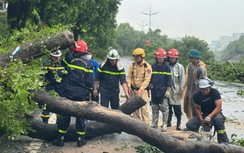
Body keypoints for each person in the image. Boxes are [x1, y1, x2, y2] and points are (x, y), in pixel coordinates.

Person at [54, 40, 93, 147]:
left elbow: (63, 60)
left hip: (67, 92)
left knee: (65, 115)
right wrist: (89, 91)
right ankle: (80, 139)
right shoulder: (88, 65)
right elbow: (89, 83)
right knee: (80, 116)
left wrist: (69, 47)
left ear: (75, 50)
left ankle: (60, 139)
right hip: (81, 94)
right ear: (84, 52)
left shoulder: (68, 60)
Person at [186, 77, 229, 143]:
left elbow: (218, 107)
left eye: (207, 89)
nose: (205, 91)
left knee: (218, 121)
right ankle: (203, 134)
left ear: (209, 87)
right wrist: (201, 120)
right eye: (203, 90)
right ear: (200, 89)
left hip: (216, 113)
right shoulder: (196, 96)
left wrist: (209, 117)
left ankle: (223, 141)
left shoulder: (215, 92)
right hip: (204, 114)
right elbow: (197, 108)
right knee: (190, 124)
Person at [127, 48, 152, 125]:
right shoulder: (132, 65)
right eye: (134, 57)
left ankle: (146, 125)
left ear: (142, 56)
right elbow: (129, 76)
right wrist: (128, 86)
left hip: (143, 91)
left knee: (144, 109)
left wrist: (141, 90)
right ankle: (137, 125)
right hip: (134, 90)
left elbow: (147, 80)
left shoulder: (147, 66)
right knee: (135, 109)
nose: (135, 59)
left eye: (137, 57)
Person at [150, 48, 171, 132]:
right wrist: (150, 85)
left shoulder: (167, 67)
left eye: (162, 58)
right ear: (156, 58)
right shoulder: (153, 67)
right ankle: (154, 123)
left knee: (164, 109)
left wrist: (168, 90)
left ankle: (164, 124)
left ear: (164, 58)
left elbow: (169, 79)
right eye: (159, 58)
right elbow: (150, 78)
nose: (160, 60)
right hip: (154, 91)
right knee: (154, 108)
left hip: (163, 92)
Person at [182, 49, 207, 120]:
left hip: (196, 93)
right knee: (186, 109)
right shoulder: (189, 66)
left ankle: (195, 124)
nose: (189, 59)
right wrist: (183, 88)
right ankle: (189, 122)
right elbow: (187, 78)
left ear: (195, 58)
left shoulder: (201, 69)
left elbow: (203, 83)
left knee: (195, 110)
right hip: (188, 91)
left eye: (191, 58)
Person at [41, 50, 64, 123]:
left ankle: (59, 123)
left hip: (60, 87)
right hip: (49, 87)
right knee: (46, 105)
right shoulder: (46, 64)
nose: (57, 59)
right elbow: (43, 76)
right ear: (51, 56)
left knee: (60, 106)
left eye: (58, 57)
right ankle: (44, 123)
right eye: (55, 57)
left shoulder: (62, 63)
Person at [167, 48, 185, 130]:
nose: (172, 59)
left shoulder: (180, 67)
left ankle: (178, 124)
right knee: (168, 108)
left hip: (176, 90)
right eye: (170, 58)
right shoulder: (166, 66)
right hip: (168, 90)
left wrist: (182, 91)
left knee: (177, 109)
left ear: (176, 58)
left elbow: (182, 79)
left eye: (173, 58)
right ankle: (168, 122)